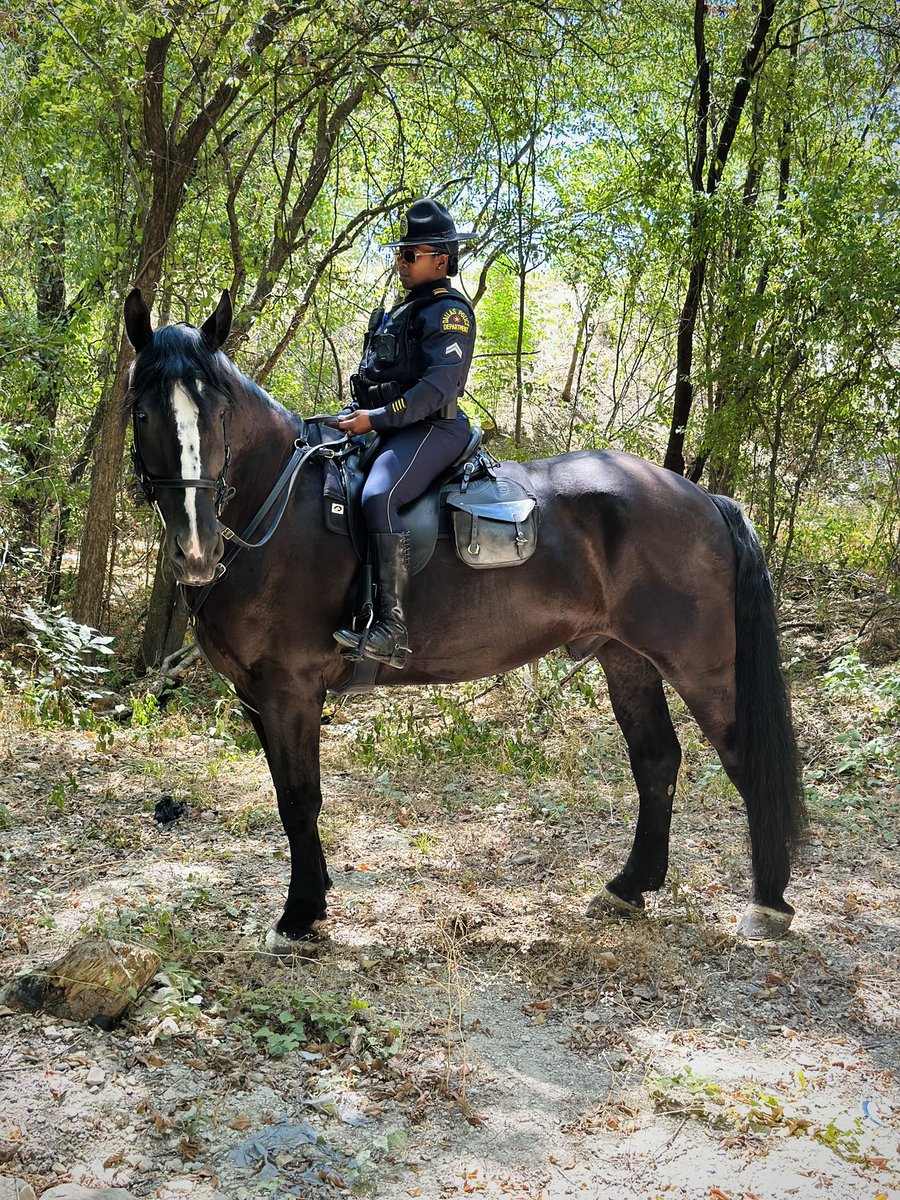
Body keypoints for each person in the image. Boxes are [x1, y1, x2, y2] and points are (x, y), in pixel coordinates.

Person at [333, 198, 476, 669]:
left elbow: (437, 388)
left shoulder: (449, 312)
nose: (400, 263)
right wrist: (358, 412)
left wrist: (374, 419)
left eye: (409, 255)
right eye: (399, 254)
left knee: (378, 495)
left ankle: (392, 629)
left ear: (441, 259)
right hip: (390, 426)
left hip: (434, 427)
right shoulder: (404, 310)